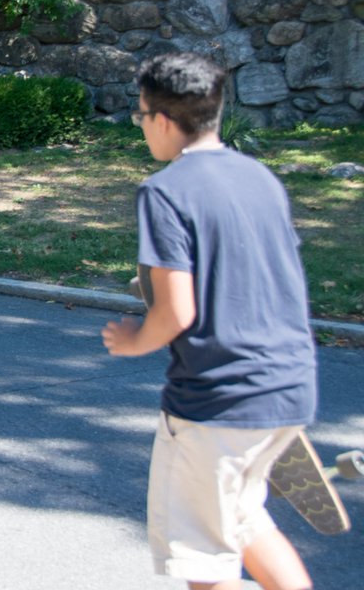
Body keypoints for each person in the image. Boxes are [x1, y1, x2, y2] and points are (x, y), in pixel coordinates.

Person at [102, 51, 317, 590]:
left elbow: (177, 310)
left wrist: (134, 341)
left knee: (201, 557)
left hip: (218, 401)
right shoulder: (260, 178)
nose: (142, 127)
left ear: (162, 120)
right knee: (243, 520)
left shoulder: (166, 190)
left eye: (141, 116)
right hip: (290, 386)